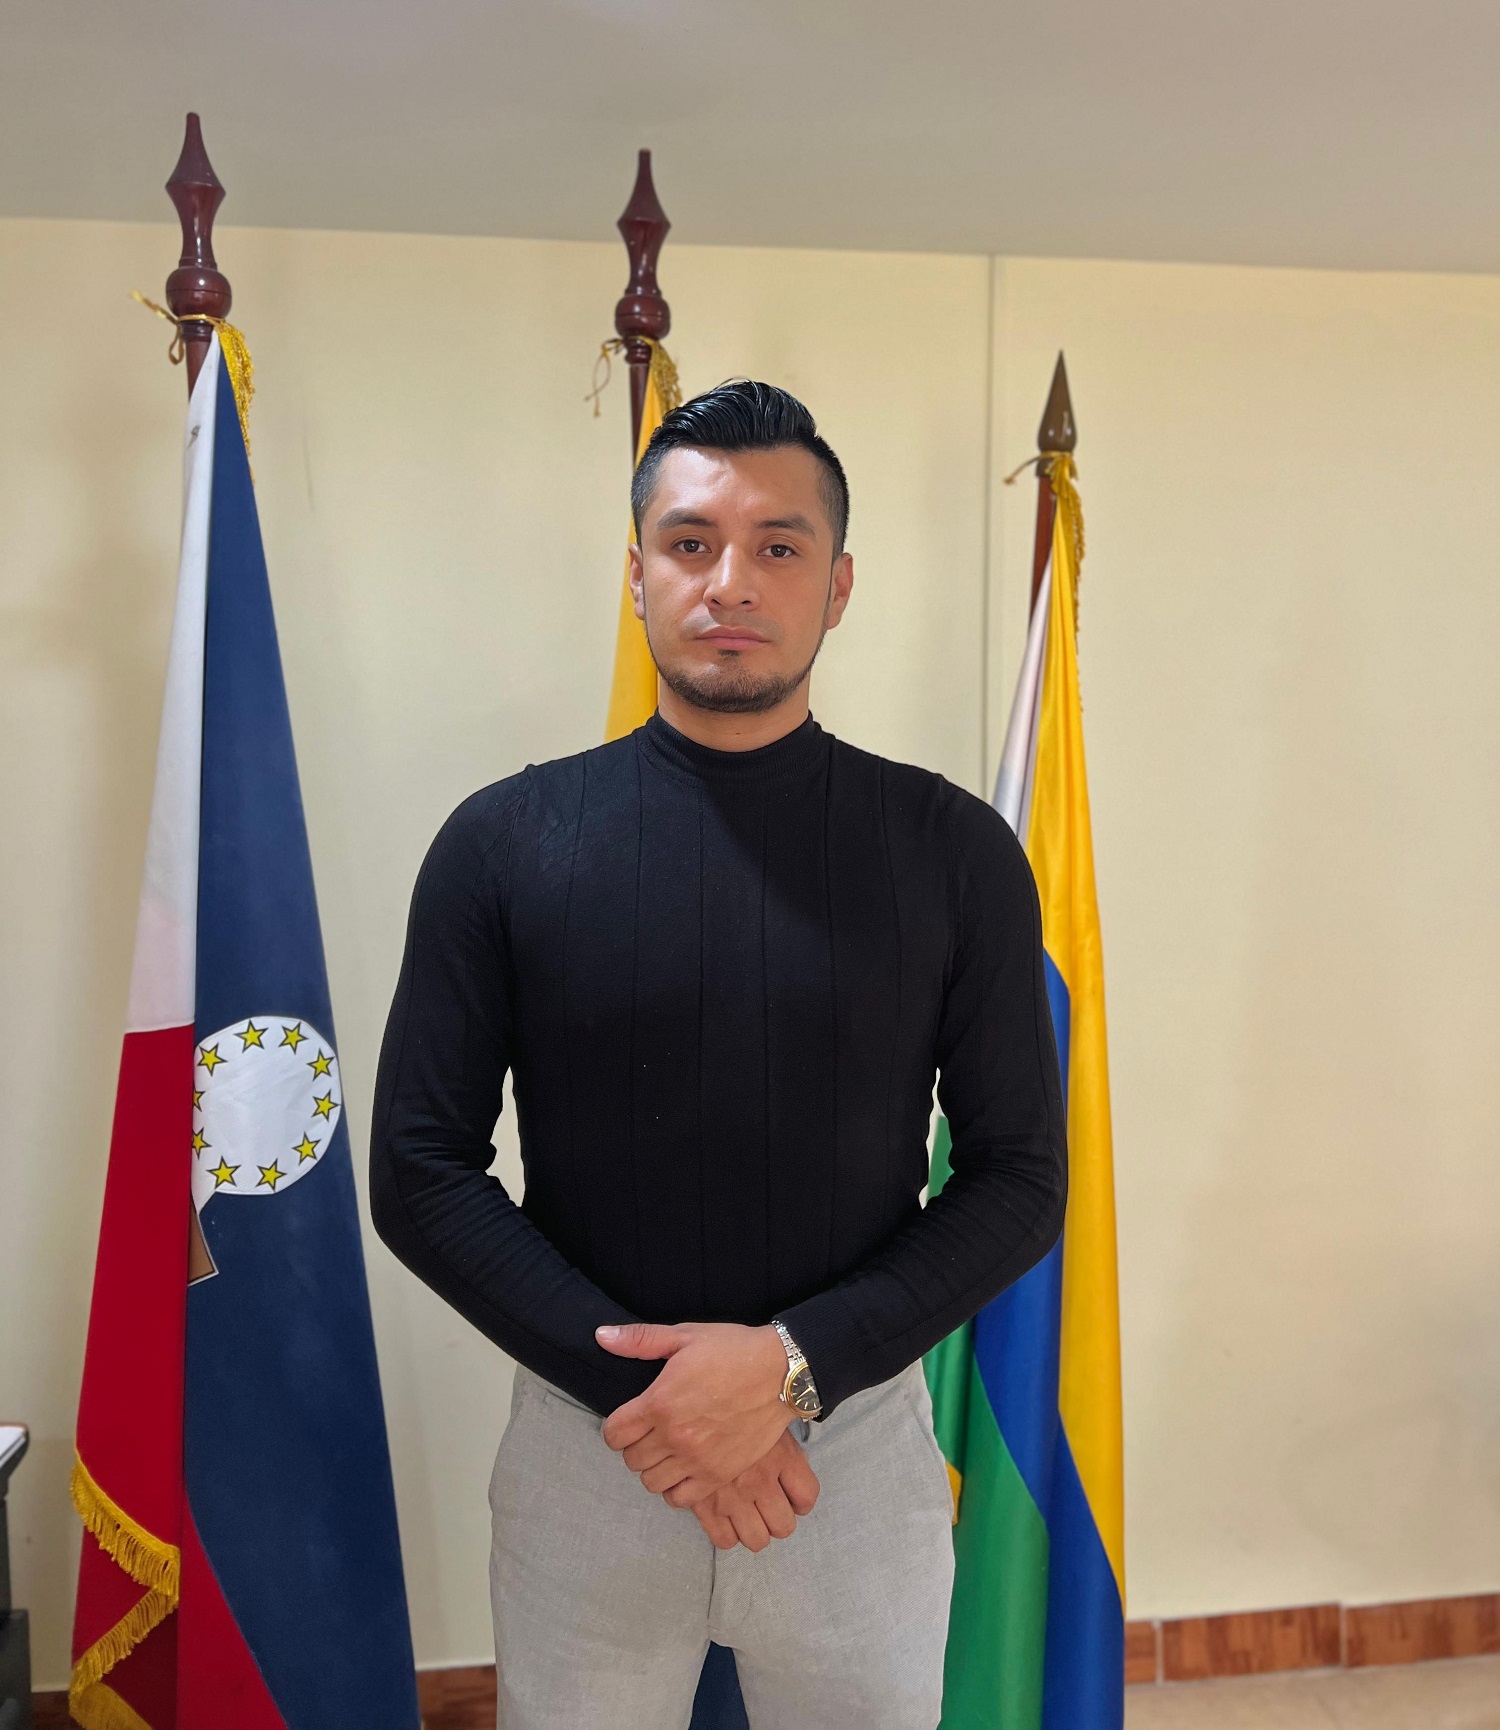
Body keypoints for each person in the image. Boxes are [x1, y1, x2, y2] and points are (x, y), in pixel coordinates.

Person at [370, 380, 1067, 1730]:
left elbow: (1019, 1177)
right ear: (636, 572)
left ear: (839, 585)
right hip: (592, 1452)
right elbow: (418, 1169)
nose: (730, 580)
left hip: (848, 1457)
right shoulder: (502, 846)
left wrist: (793, 1369)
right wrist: (666, 1402)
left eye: (779, 545)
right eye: (690, 542)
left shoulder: (953, 854)